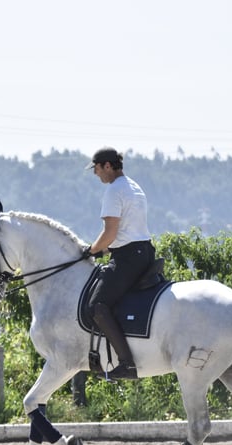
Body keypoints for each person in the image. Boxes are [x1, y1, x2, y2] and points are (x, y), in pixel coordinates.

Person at [83, 147, 155, 379]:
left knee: (97, 306)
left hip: (127, 258)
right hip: (144, 252)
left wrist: (91, 250)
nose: (95, 174)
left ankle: (127, 363)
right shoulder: (134, 186)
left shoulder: (114, 191)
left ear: (107, 166)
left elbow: (110, 232)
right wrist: (104, 248)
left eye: (96, 168)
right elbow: (125, 230)